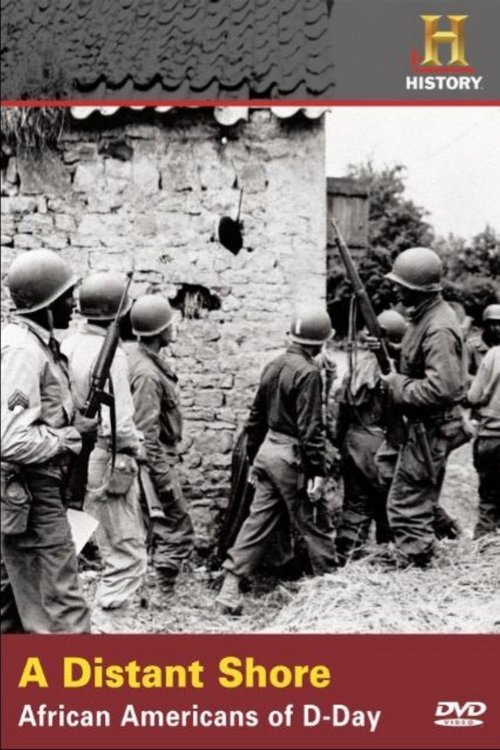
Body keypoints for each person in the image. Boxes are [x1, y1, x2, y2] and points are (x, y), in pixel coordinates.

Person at [216, 306, 338, 614]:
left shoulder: (273, 365)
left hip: (268, 454)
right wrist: (317, 473)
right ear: (318, 342)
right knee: (316, 523)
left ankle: (229, 588)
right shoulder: (309, 373)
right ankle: (335, 591)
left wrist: (254, 459)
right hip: (292, 458)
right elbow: (311, 429)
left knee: (258, 522)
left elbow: (255, 418)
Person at [1, 249, 96, 633]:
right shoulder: (23, 350)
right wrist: (72, 436)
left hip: (27, 489)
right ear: (46, 303)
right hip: (32, 488)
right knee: (62, 607)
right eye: (65, 297)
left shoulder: (34, 344)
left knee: (10, 603)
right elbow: (10, 439)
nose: (73, 304)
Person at [61, 271, 147, 632]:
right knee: (127, 555)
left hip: (74, 454)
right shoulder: (111, 354)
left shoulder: (68, 343)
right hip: (105, 456)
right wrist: (133, 451)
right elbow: (121, 421)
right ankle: (110, 634)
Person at [380, 247, 469, 567]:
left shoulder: (439, 326)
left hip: (429, 426)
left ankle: (415, 560)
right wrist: (389, 349)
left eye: (400, 285)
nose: (395, 289)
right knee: (398, 480)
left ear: (418, 288)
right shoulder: (426, 317)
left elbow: (442, 388)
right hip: (420, 425)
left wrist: (396, 385)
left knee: (407, 502)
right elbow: (420, 361)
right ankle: (434, 537)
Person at [127, 295, 194, 594]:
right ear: (157, 331)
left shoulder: (142, 361)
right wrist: (162, 478)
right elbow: (146, 434)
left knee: (156, 527)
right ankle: (161, 591)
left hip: (155, 458)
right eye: (168, 324)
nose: (173, 328)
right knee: (176, 526)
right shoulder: (146, 374)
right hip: (153, 462)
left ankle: (149, 588)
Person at [335, 309, 407, 564]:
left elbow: (341, 414)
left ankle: (346, 559)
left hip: (352, 443)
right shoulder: (392, 375)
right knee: (389, 506)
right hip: (380, 447)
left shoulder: (355, 367)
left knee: (356, 506)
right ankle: (388, 557)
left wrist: (339, 444)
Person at [467, 318, 500, 538]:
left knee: (489, 501)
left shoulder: (494, 354)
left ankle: (482, 555)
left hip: (491, 437)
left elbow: (473, 396)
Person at [466, 303, 500, 375]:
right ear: (485, 325)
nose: (497, 328)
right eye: (492, 323)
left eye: (499, 324)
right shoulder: (471, 346)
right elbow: (464, 375)